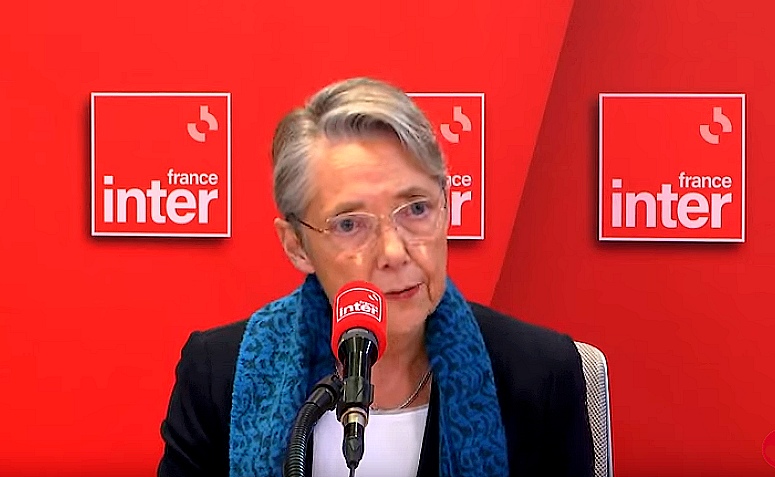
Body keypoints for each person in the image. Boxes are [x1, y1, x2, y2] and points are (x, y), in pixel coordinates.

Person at [158, 77, 594, 477]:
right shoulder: (220, 375)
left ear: (446, 207)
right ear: (296, 245)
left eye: (417, 209)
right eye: (350, 224)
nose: (393, 252)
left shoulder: (539, 376)